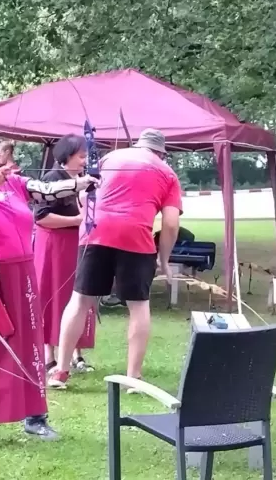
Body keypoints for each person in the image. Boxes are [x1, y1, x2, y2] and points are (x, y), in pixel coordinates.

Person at [0, 133, 97, 446]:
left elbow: (47, 190)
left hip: (21, 272)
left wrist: (81, 183)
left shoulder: (12, 183)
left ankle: (35, 417)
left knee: (29, 344)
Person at [48, 129, 182, 389]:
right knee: (139, 306)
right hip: (136, 237)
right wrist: (164, 260)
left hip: (95, 232)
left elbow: (85, 193)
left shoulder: (110, 158)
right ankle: (133, 377)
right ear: (160, 152)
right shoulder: (167, 173)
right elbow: (171, 223)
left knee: (80, 300)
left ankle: (60, 371)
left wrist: (89, 224)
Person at [32, 134, 96, 374]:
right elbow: (41, 217)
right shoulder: (52, 178)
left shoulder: (82, 179)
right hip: (54, 245)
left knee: (77, 295)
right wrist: (78, 220)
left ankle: (75, 353)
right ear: (66, 156)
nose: (84, 160)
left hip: (76, 243)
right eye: (81, 156)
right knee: (52, 293)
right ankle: (49, 354)